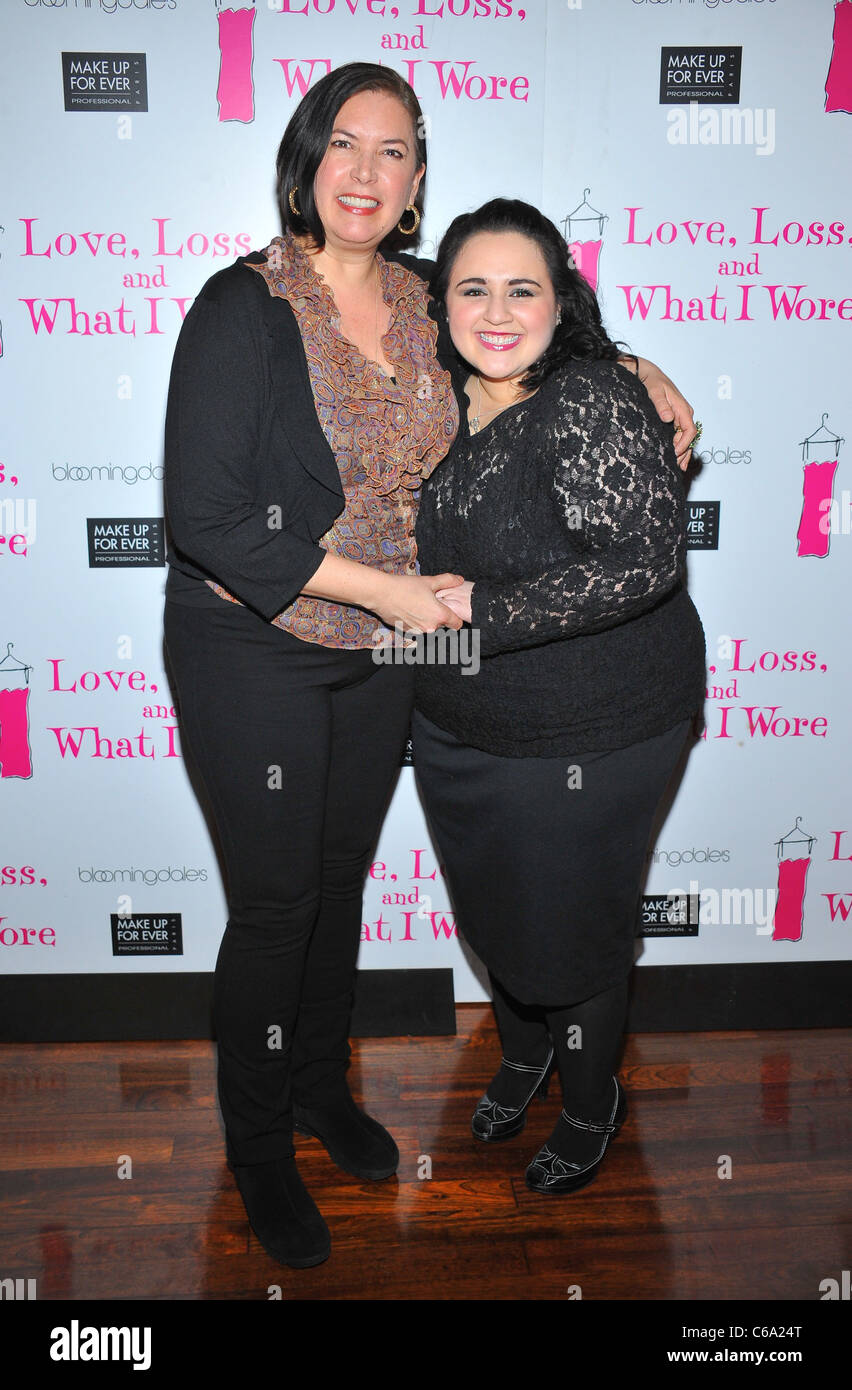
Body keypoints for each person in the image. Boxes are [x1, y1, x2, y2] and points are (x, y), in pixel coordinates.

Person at [162, 62, 698, 1267]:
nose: (365, 170)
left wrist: (639, 369)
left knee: (340, 886)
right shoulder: (239, 308)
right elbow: (209, 520)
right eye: (343, 144)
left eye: (393, 150)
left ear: (416, 179)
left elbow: (525, 330)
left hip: (386, 651)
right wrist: (390, 593)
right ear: (305, 161)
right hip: (258, 646)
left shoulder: (420, 296)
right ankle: (257, 1148)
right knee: (276, 907)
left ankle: (317, 1091)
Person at [412, 199, 706, 1195]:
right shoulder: (429, 397)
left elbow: (645, 561)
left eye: (522, 288)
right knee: (497, 912)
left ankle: (591, 1102)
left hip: (598, 722)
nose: (497, 311)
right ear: (438, 303)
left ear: (559, 299)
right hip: (462, 722)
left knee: (571, 927)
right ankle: (526, 1053)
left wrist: (479, 610)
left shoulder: (586, 398)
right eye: (473, 288)